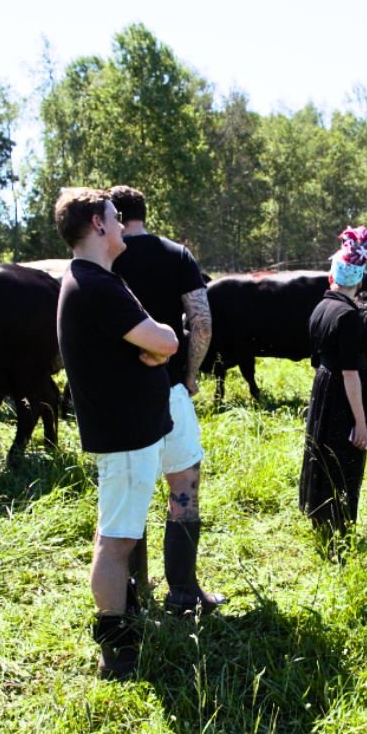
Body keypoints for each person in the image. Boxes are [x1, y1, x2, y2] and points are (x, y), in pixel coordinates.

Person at [55, 188, 178, 680]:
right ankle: (117, 650)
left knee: (117, 531)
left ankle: (124, 627)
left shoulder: (98, 279)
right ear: (97, 224)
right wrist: (159, 346)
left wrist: (154, 347)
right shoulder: (96, 286)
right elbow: (165, 339)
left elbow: (152, 343)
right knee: (116, 539)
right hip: (125, 435)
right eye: (114, 214)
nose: (122, 221)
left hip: (129, 429)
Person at [107, 185, 226, 615]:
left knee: (127, 497)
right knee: (184, 488)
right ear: (143, 212)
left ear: (111, 215)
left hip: (116, 397)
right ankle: (183, 591)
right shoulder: (176, 254)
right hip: (169, 389)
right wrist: (190, 374)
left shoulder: (100, 259)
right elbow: (203, 323)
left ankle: (132, 596)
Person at [299, 226, 367, 545]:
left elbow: (318, 361)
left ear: (333, 276)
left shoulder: (321, 307)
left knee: (324, 452)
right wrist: (361, 424)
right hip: (344, 395)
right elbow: (351, 374)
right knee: (345, 456)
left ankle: (322, 519)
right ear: (359, 280)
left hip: (324, 387)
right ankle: (339, 530)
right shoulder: (349, 315)